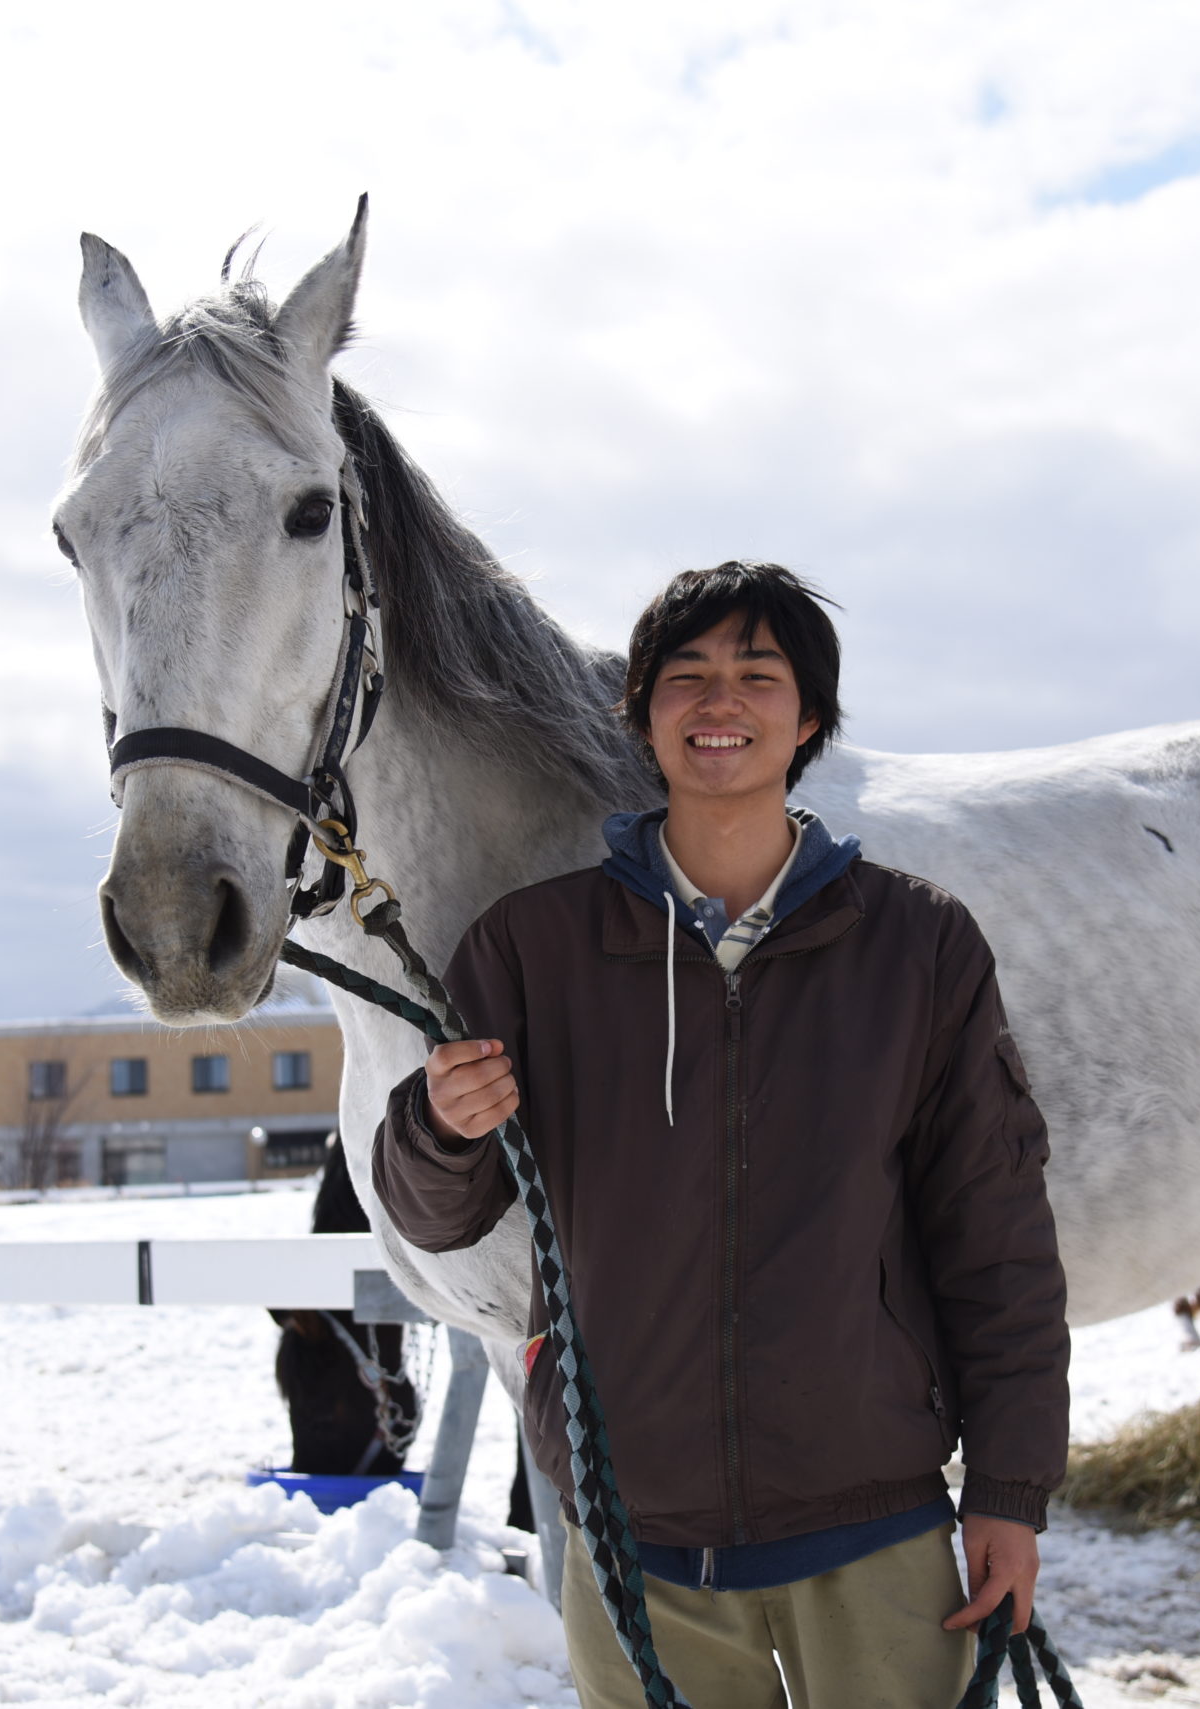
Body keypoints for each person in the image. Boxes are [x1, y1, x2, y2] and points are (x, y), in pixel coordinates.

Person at [372, 561, 1070, 1708]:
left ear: (810, 719)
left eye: (757, 674)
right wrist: (437, 1126)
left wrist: (1008, 1484)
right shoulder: (531, 948)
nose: (718, 702)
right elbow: (436, 1210)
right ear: (641, 715)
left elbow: (994, 1232)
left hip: (874, 1523)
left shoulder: (918, 943)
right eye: (684, 676)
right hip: (633, 1529)